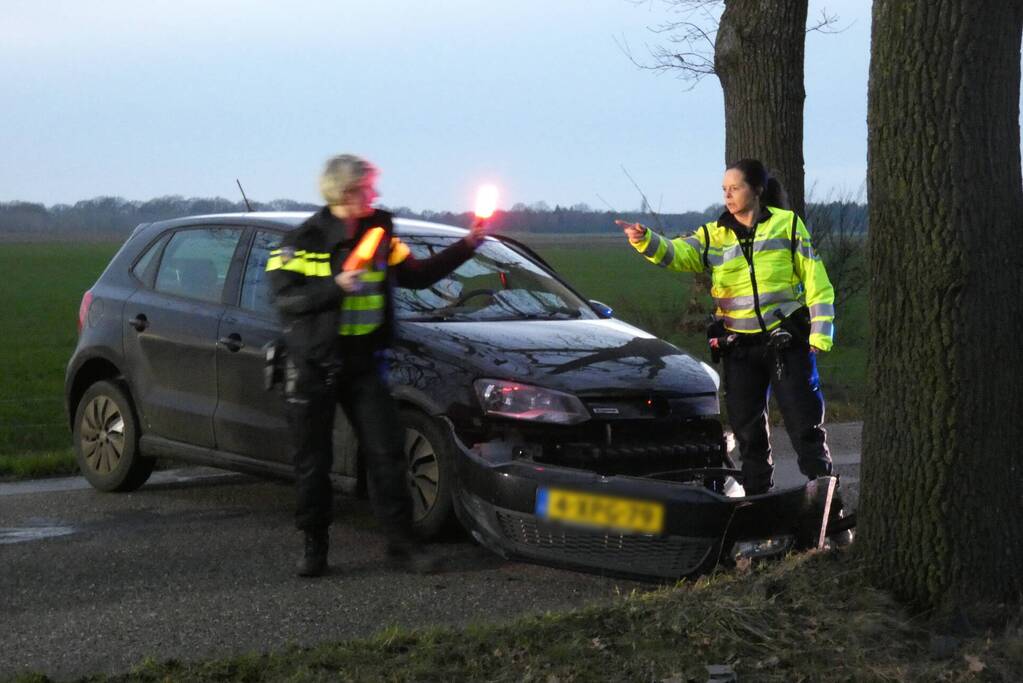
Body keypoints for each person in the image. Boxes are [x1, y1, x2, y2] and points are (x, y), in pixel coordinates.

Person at [267, 154, 485, 577]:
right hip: (314, 364)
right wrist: (335, 287)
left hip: (364, 362)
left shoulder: (380, 232)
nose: (376, 194)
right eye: (368, 187)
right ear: (347, 192)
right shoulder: (302, 239)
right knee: (313, 460)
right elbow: (286, 301)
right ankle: (315, 546)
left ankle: (402, 545)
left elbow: (418, 275)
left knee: (387, 453)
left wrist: (469, 244)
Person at [616, 158, 836, 499]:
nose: (728, 196)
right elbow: (677, 253)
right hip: (739, 349)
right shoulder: (712, 234)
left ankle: (829, 513)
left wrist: (821, 333)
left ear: (757, 190)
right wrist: (644, 240)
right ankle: (756, 513)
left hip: (785, 344)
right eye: (724, 190)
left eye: (735, 188)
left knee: (806, 430)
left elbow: (815, 280)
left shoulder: (787, 226)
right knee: (749, 439)